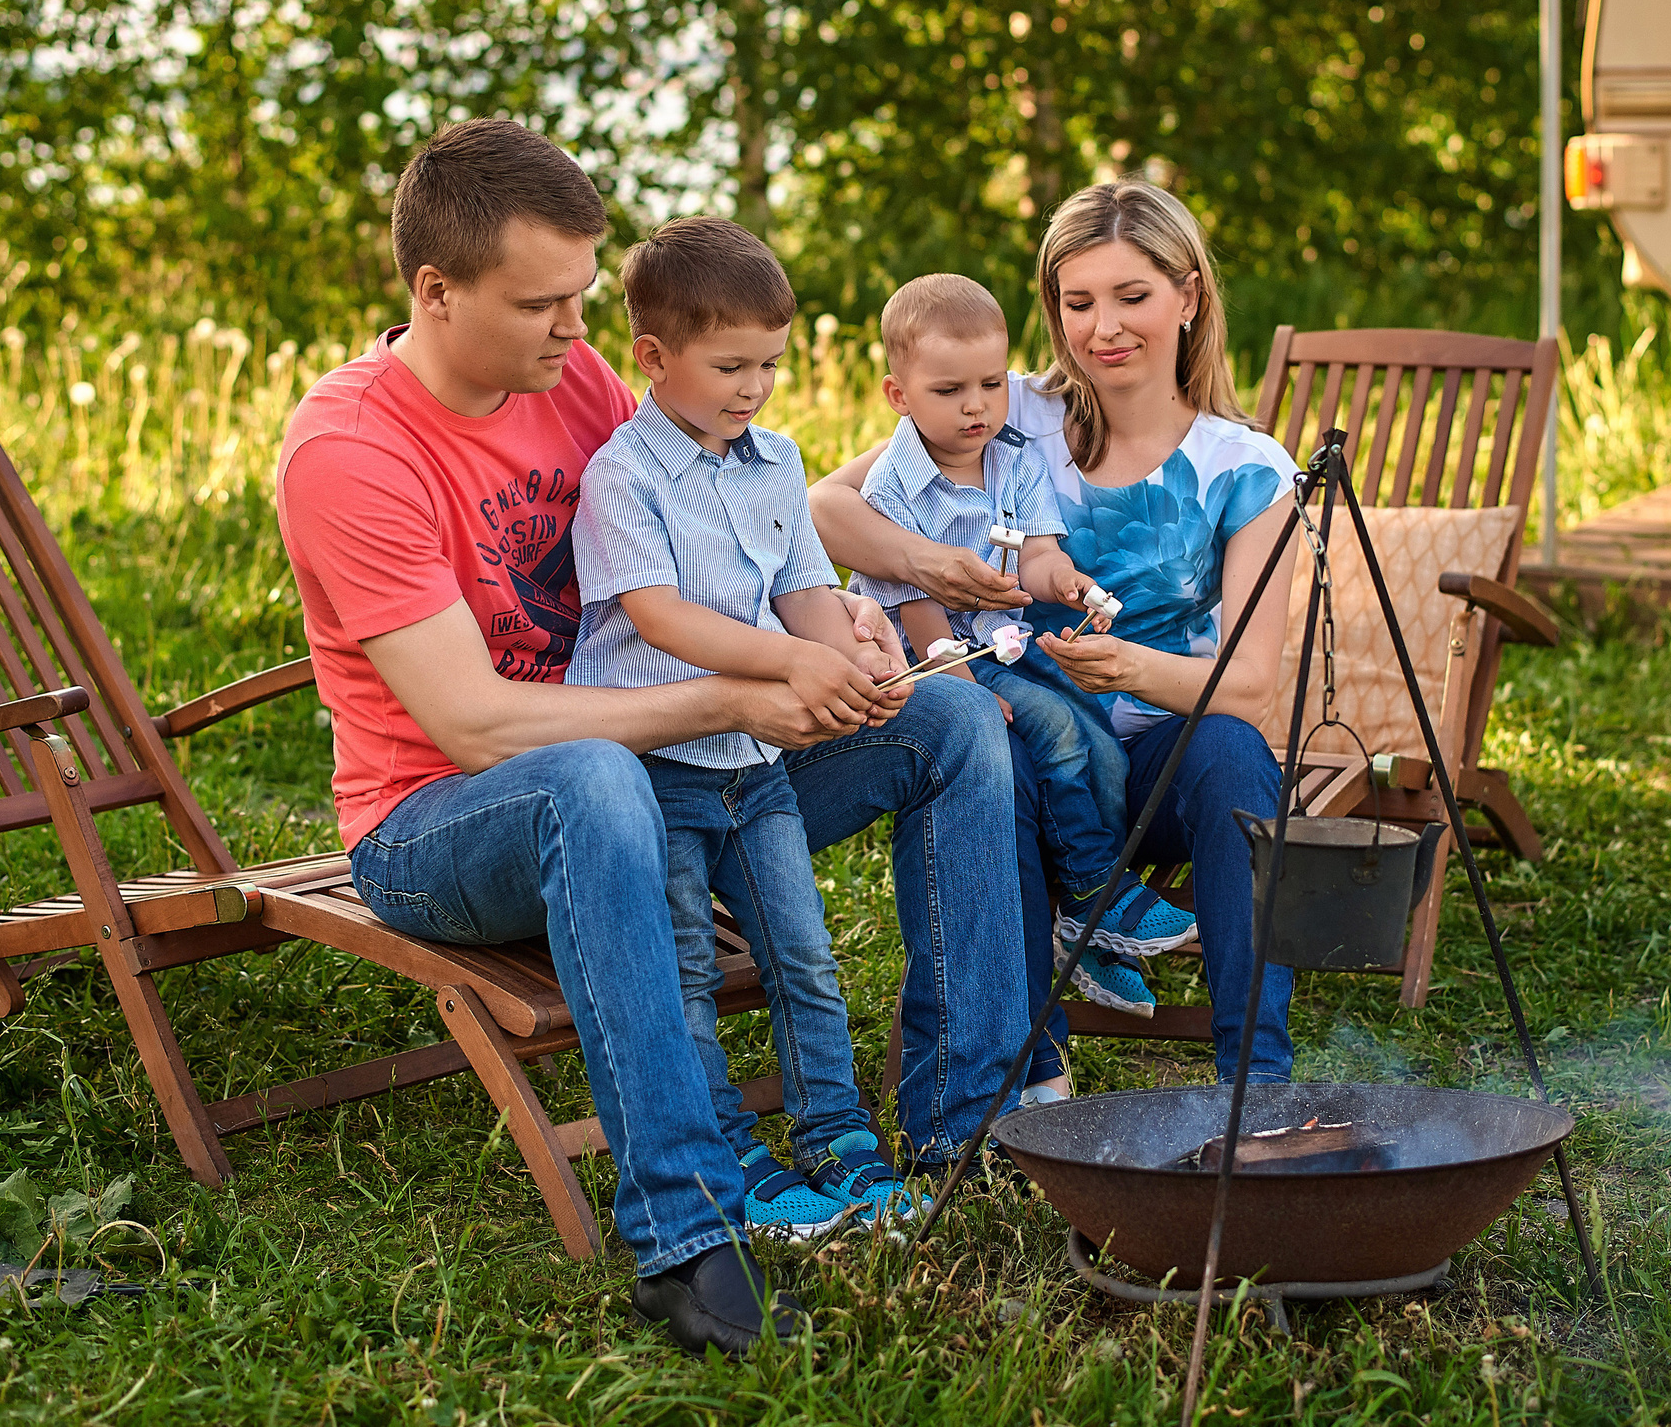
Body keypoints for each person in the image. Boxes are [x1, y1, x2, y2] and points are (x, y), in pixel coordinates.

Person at [274, 120, 1026, 1357]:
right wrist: (737, 698)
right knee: (590, 781)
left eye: (581, 297)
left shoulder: (563, 378)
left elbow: (699, 522)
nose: (579, 334)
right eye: (544, 304)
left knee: (947, 714)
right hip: (442, 825)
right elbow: (473, 724)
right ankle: (689, 1237)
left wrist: (838, 618)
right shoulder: (352, 453)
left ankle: (960, 1131)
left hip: (669, 768)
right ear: (435, 290)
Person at [811, 181, 1299, 1097]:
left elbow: (1250, 686)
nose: (1103, 327)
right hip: (1017, 733)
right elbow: (825, 509)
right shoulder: (1003, 410)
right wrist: (932, 565)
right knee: (996, 757)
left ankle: (1256, 1082)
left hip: (1159, 750)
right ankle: (1033, 1071)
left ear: (1188, 297)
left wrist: (1131, 668)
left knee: (1234, 754)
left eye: (1132, 297)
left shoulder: (1247, 468)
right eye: (1078, 303)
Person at [566, 217, 918, 1238]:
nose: (753, 385)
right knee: (684, 970)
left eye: (770, 362)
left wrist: (849, 663)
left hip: (755, 763)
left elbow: (808, 587)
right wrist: (794, 660)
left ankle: (837, 1130)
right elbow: (659, 615)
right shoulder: (622, 475)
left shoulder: (777, 461)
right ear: (653, 355)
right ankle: (727, 1147)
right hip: (658, 769)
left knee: (800, 952)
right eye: (729, 365)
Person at [843, 273, 1198, 1027]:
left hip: (1002, 639)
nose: (975, 405)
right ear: (898, 394)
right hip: (931, 663)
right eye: (948, 390)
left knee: (1096, 729)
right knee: (1056, 729)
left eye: (989, 384)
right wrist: (966, 683)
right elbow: (910, 603)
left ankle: (1083, 917)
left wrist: (1060, 578)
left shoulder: (1011, 458)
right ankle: (1102, 894)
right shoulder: (893, 484)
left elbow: (1034, 556)